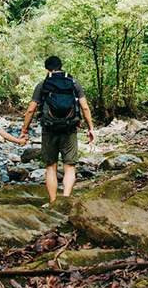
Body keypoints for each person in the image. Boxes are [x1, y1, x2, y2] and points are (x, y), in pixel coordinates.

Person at [18, 56, 96, 204]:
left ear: (47, 69)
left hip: (49, 129)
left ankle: (53, 201)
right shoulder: (73, 83)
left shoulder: (43, 84)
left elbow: (31, 110)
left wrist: (24, 129)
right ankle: (65, 200)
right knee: (69, 166)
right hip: (69, 129)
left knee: (51, 167)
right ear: (61, 66)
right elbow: (85, 107)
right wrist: (91, 128)